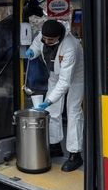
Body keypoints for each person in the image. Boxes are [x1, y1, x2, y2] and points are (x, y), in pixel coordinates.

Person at [25, 19, 84, 172]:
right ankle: (55, 144)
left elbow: (65, 82)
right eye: (45, 38)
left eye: (50, 40)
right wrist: (32, 51)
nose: (46, 41)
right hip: (54, 73)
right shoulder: (44, 35)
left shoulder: (70, 46)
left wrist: (49, 100)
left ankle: (75, 154)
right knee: (53, 111)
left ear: (59, 37)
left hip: (76, 77)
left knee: (73, 111)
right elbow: (37, 45)